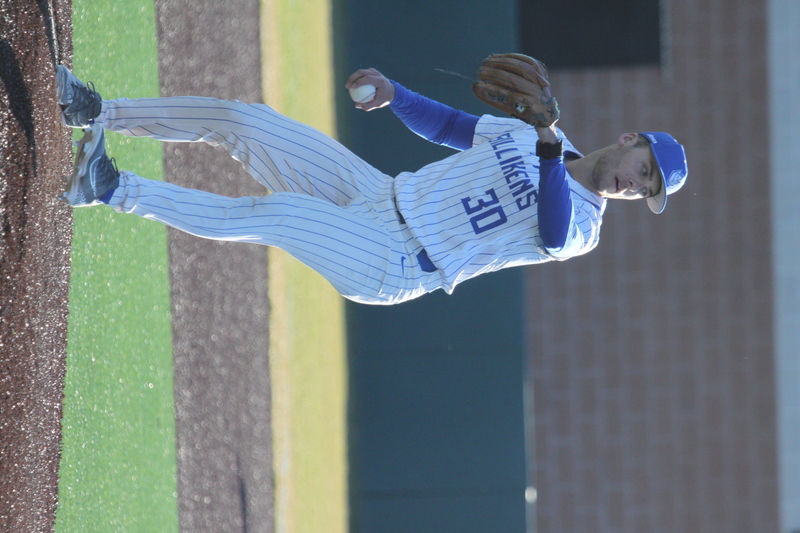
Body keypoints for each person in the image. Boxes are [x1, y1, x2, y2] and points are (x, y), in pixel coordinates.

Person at [55, 64, 687, 305]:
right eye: (646, 168)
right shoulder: (533, 134)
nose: (638, 185)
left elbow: (549, 223)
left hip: (396, 263)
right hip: (375, 192)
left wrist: (550, 141)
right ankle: (99, 112)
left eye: (649, 189)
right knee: (243, 122)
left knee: (276, 215)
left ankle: (111, 188)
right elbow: (451, 125)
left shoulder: (584, 229)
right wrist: (396, 96)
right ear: (630, 140)